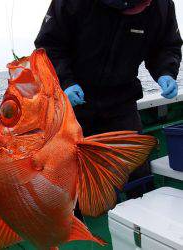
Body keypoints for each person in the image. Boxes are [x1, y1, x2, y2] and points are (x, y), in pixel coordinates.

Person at [35, 0, 182, 217]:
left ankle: (142, 219)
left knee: (136, 168)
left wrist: (166, 71)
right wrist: (65, 81)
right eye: (134, 5)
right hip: (73, 106)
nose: (143, 8)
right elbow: (48, 47)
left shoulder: (160, 5)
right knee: (73, 172)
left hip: (122, 101)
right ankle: (77, 226)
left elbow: (165, 45)